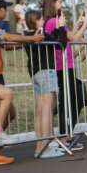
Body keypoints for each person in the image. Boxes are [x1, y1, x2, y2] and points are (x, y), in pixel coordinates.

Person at [0, 0, 43, 165]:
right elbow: (6, 37)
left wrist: (26, 42)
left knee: (10, 113)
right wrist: (32, 39)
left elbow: (5, 42)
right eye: (4, 8)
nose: (6, 11)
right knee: (7, 96)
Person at [42, 0, 87, 151]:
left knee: (77, 97)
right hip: (60, 67)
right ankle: (64, 135)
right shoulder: (52, 21)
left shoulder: (57, 21)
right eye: (59, 2)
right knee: (69, 100)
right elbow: (74, 38)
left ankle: (66, 133)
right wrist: (84, 25)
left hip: (67, 66)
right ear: (52, 3)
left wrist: (77, 24)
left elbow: (69, 36)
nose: (61, 4)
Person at [24, 10, 66, 158]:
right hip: (46, 71)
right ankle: (44, 148)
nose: (43, 21)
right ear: (36, 20)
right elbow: (62, 43)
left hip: (35, 73)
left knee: (40, 111)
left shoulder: (27, 35)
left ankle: (39, 148)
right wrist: (61, 27)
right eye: (41, 19)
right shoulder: (41, 34)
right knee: (47, 110)